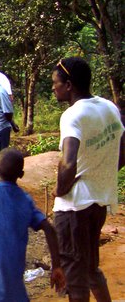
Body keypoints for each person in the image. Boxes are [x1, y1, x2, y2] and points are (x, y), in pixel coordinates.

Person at [51, 56, 124, 302]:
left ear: (69, 85)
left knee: (74, 274)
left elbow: (69, 161)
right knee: (91, 267)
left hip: (74, 207)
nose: (53, 87)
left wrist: (60, 189)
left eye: (56, 83)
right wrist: (101, 172)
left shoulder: (72, 116)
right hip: (99, 202)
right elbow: (122, 149)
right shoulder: (109, 107)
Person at [0, 148, 66, 302]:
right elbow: (49, 229)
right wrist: (56, 265)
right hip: (14, 271)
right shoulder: (25, 199)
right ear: (21, 175)